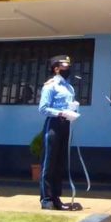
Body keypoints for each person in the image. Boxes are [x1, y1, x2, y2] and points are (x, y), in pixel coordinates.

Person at [38, 55, 80, 211]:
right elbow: (43, 109)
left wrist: (73, 110)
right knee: (49, 163)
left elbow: (68, 105)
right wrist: (61, 113)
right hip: (53, 125)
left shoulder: (69, 87)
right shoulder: (50, 86)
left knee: (60, 163)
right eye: (65, 65)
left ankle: (56, 198)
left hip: (66, 125)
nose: (68, 68)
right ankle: (46, 198)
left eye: (69, 65)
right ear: (56, 68)